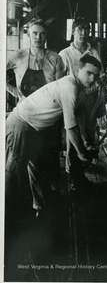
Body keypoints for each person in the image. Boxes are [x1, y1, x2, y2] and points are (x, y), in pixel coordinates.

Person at [5, 54, 103, 220]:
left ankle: (41, 209)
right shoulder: (69, 87)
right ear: (78, 70)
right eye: (88, 73)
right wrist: (81, 153)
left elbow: (80, 120)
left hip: (35, 129)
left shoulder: (80, 90)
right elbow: (70, 127)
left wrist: (86, 142)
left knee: (38, 168)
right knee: (14, 172)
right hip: (20, 124)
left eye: (96, 75)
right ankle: (7, 216)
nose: (92, 78)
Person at [6, 18, 65, 190]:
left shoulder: (56, 59)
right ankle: (22, 199)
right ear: (29, 35)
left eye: (42, 34)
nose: (38, 37)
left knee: (49, 158)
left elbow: (60, 90)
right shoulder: (19, 56)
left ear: (46, 36)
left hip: (48, 117)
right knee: (19, 159)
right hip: (24, 117)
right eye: (34, 33)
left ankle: (52, 199)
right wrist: (13, 91)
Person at [59, 18, 106, 183]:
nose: (84, 34)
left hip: (91, 100)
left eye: (87, 30)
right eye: (80, 29)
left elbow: (101, 76)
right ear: (73, 32)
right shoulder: (65, 54)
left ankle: (85, 170)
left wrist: (101, 100)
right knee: (74, 137)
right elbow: (59, 80)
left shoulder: (94, 52)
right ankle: (72, 175)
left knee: (90, 136)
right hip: (73, 99)